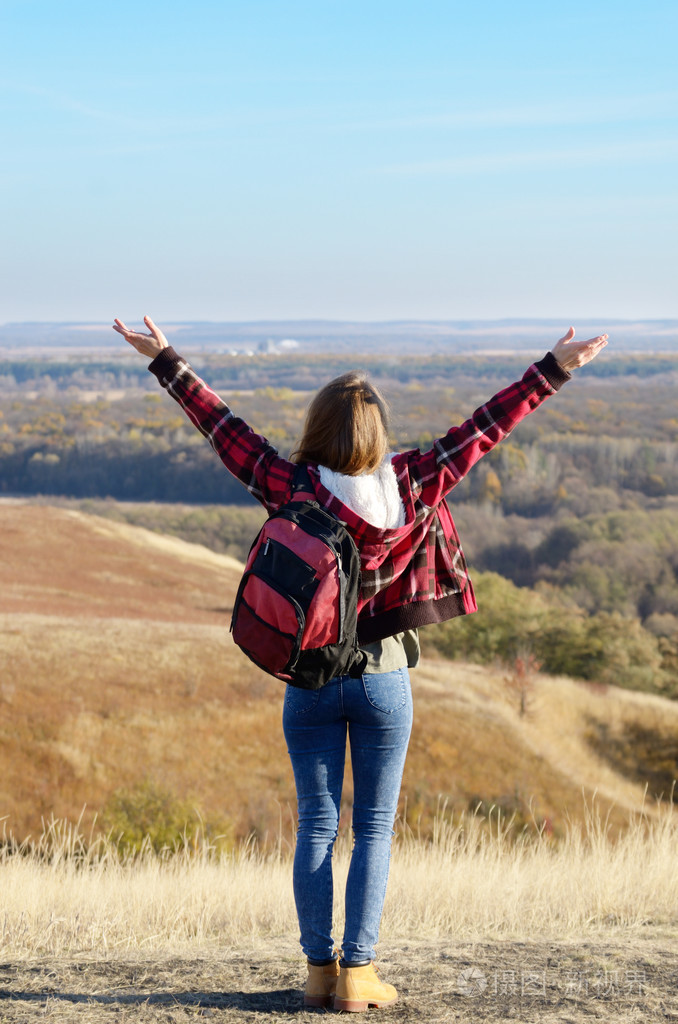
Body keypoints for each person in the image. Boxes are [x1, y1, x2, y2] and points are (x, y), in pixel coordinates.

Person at [113, 315, 607, 1012]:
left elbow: (225, 431)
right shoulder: (416, 481)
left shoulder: (293, 486)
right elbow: (486, 428)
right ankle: (359, 974)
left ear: (317, 430)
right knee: (373, 826)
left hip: (311, 679)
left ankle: (318, 971)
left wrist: (166, 360)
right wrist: (553, 369)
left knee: (316, 823)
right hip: (383, 682)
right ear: (377, 437)